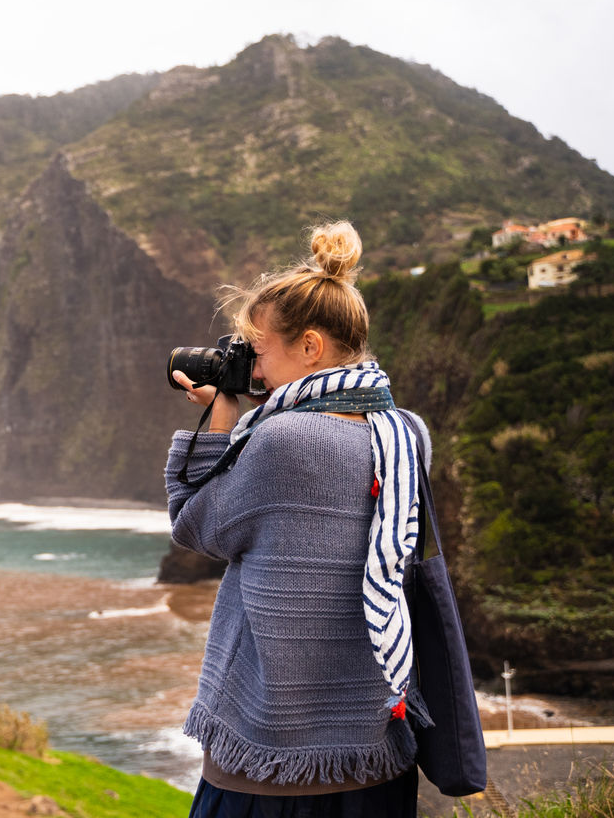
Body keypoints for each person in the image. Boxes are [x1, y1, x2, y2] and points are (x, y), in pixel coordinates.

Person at [165, 221, 429, 818]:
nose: (252, 372)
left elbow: (195, 524)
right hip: (373, 737)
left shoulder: (282, 438)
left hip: (277, 751)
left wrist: (223, 419)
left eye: (257, 353)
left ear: (310, 347)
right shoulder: (407, 432)